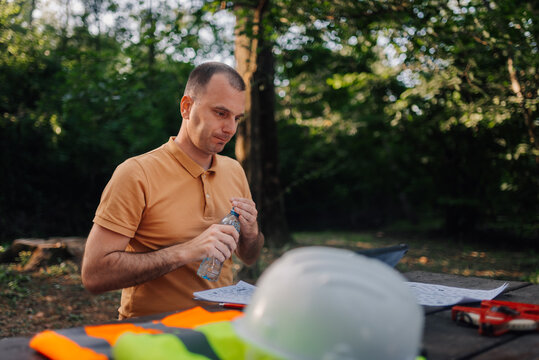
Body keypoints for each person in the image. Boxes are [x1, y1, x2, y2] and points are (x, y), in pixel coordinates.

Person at [81, 62, 265, 319]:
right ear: (186, 107)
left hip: (219, 329)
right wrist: (185, 251)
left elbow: (249, 256)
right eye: (221, 113)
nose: (231, 129)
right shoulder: (136, 173)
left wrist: (251, 232)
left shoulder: (235, 170)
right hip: (150, 334)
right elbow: (94, 275)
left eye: (236, 118)